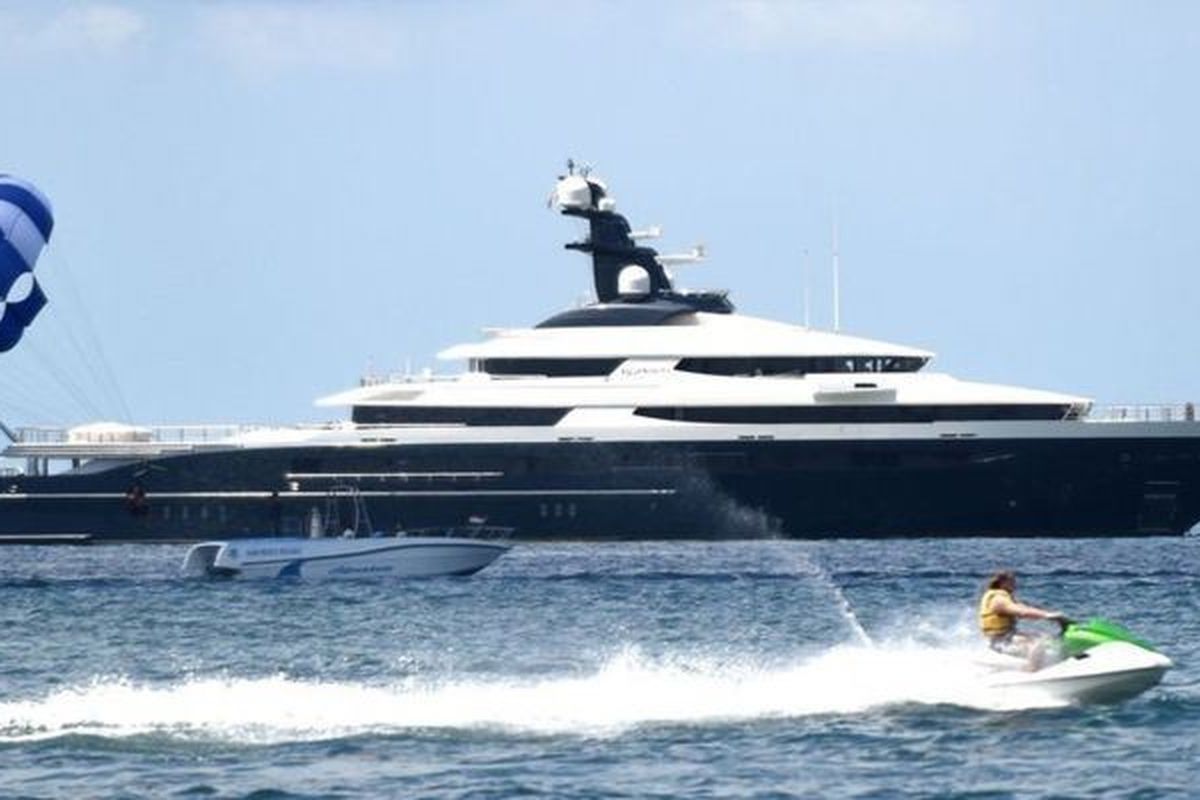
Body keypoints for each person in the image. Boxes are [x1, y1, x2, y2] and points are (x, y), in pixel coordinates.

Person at [979, 570, 1067, 662]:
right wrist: (1046, 615)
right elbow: (1022, 612)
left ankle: (1053, 663)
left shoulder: (1004, 597)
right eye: (1012, 581)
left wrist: (1051, 615)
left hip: (1006, 638)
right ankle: (1033, 673)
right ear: (1002, 583)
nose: (1015, 585)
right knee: (1038, 644)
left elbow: (1024, 608)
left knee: (1047, 639)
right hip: (1001, 642)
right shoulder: (998, 600)